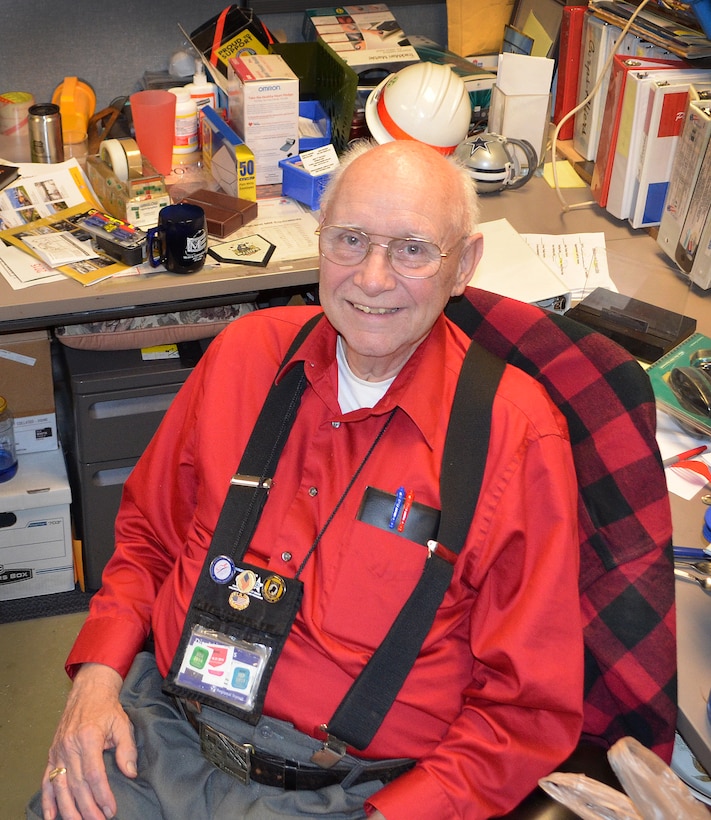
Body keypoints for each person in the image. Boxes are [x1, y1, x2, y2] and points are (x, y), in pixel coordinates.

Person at [29, 139, 584, 820]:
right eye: (348, 240)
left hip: (351, 796)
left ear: (462, 264)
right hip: (160, 731)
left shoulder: (515, 436)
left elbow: (525, 710)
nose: (372, 279)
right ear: (317, 244)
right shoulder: (244, 354)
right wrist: (96, 676)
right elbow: (147, 538)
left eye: (411, 249)